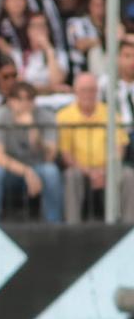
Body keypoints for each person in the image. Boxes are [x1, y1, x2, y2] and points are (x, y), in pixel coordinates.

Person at [56, 73, 134, 223]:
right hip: (79, 169)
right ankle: (73, 228)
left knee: (129, 176)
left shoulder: (110, 113)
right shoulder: (64, 116)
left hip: (108, 169)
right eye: (84, 90)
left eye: (92, 90)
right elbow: (66, 154)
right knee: (71, 176)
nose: (88, 94)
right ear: (75, 91)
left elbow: (120, 148)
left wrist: (104, 171)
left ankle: (129, 228)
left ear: (97, 91)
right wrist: (90, 172)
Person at [0, 82, 62, 223]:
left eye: (29, 99)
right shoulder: (0, 116)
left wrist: (33, 130)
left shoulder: (46, 116)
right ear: (10, 101)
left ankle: (54, 224)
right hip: (10, 169)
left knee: (51, 172)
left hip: (38, 166)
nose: (25, 103)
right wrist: (26, 172)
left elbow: (50, 156)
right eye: (19, 98)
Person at [12, 13, 69, 95]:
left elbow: (57, 82)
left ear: (48, 30)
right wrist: (50, 89)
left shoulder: (59, 54)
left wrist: (48, 49)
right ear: (28, 30)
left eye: (42, 26)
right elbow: (20, 86)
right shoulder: (18, 55)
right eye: (34, 26)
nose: (39, 30)